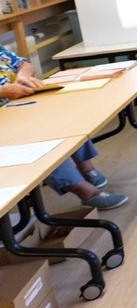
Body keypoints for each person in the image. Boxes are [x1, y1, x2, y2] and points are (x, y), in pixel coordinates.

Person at [0, 46, 127, 209]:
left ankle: (87, 169)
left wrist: (23, 75)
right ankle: (86, 192)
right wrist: (4, 91)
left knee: (64, 117)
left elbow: (25, 64)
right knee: (36, 142)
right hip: (6, 117)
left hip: (20, 103)